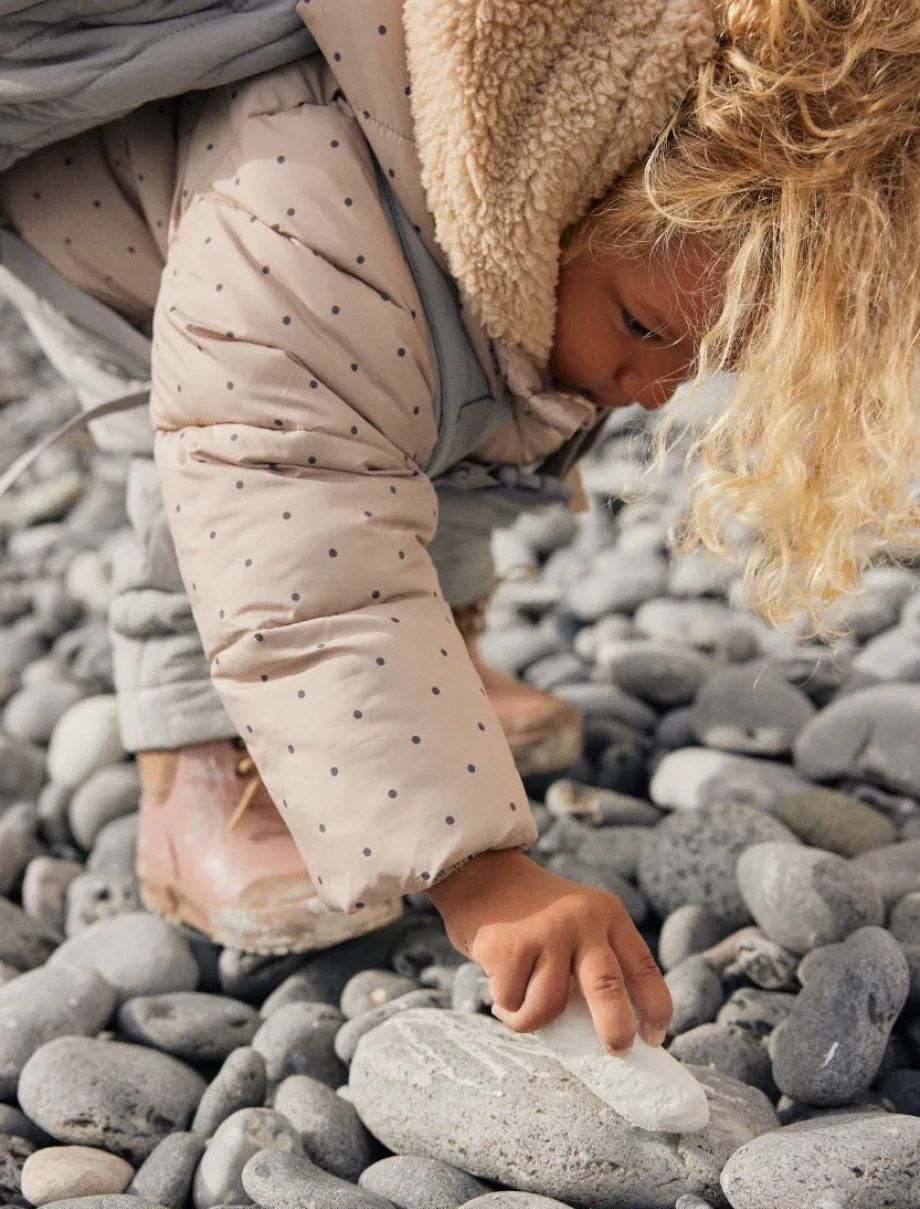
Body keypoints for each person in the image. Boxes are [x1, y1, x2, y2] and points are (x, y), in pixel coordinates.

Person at [0, 0, 917, 1059]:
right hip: (132, 249)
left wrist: (427, 695)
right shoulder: (305, 214)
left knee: (480, 403)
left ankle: (428, 683)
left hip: (407, 275)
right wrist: (479, 873)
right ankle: (200, 778)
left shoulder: (527, 209)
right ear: (567, 178)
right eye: (644, 330)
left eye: (705, 364)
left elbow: (478, 431)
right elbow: (300, 543)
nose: (658, 394)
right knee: (251, 474)